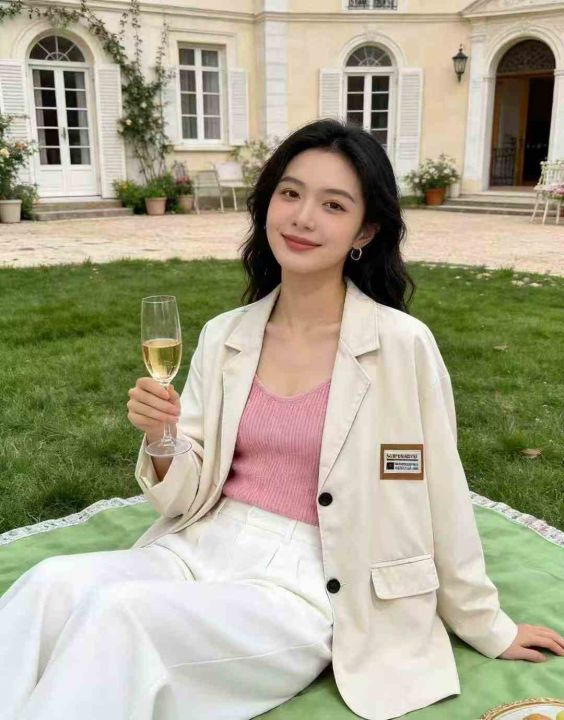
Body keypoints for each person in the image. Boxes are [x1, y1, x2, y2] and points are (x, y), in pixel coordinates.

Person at [0, 119, 562, 720]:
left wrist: (486, 623)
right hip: (200, 544)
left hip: (312, 582)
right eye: (290, 193)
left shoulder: (402, 346)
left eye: (333, 204)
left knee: (120, 618)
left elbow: (438, 490)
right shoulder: (226, 335)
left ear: (365, 231)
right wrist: (162, 437)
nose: (302, 217)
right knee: (49, 584)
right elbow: (185, 494)